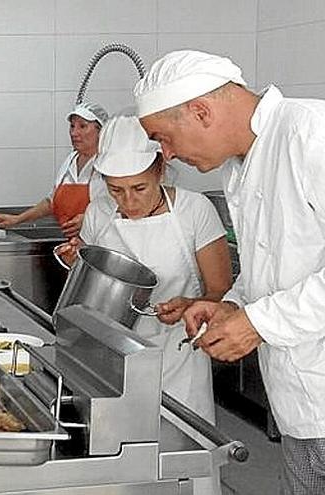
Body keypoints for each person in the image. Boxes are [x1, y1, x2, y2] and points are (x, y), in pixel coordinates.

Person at [134, 49, 325, 495]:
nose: (168, 155)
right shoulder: (241, 166)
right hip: (301, 408)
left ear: (201, 111)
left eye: (164, 138)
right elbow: (274, 268)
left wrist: (258, 323)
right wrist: (231, 306)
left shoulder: (311, 134)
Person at [57, 115, 232, 495]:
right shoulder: (100, 212)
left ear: (161, 170)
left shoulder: (194, 211)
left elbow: (221, 290)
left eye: (139, 188)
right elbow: (90, 275)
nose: (129, 202)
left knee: (183, 466)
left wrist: (192, 304)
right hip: (111, 362)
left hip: (177, 359)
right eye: (117, 190)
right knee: (120, 470)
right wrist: (76, 261)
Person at [0, 101, 108, 238]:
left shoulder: (108, 164)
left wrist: (90, 220)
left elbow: (121, 208)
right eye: (72, 126)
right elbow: (51, 203)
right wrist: (17, 219)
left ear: (101, 131)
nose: (74, 133)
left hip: (97, 245)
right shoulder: (70, 161)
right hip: (70, 244)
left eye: (82, 126)